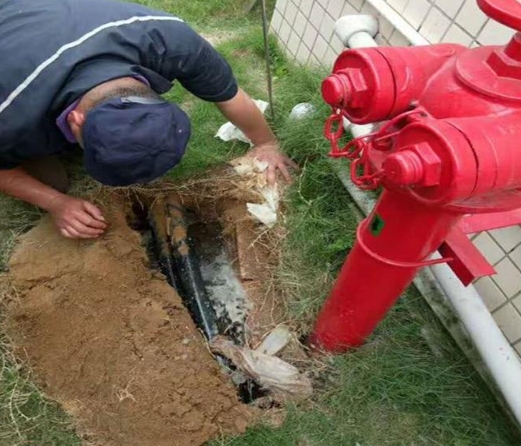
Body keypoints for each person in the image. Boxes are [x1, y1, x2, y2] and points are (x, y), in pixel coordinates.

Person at [0, 0, 296, 239]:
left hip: (57, 24)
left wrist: (267, 143)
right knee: (54, 181)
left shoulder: (170, 41)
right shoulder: (11, 115)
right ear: (74, 120)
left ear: (152, 94)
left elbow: (229, 96)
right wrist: (56, 203)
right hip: (15, 35)